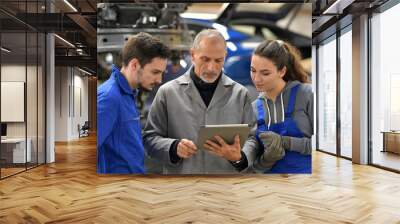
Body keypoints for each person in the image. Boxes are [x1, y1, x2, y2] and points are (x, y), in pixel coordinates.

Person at [143, 29, 258, 174]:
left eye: (218, 61)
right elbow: (150, 139)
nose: (211, 67)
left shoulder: (240, 94)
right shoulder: (168, 93)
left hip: (224, 188)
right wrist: (173, 147)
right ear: (193, 55)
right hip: (182, 187)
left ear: (225, 57)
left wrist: (240, 157)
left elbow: (252, 139)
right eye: (205, 59)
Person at [97, 32, 170, 174]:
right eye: (155, 72)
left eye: (161, 73)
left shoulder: (128, 94)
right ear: (135, 65)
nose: (159, 80)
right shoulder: (109, 98)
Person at [250, 39, 313, 174]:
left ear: (282, 71)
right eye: (253, 70)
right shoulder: (253, 109)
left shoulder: (307, 95)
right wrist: (266, 160)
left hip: (307, 184)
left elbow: (326, 149)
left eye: (265, 73)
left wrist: (286, 142)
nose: (256, 79)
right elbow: (254, 169)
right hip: (270, 186)